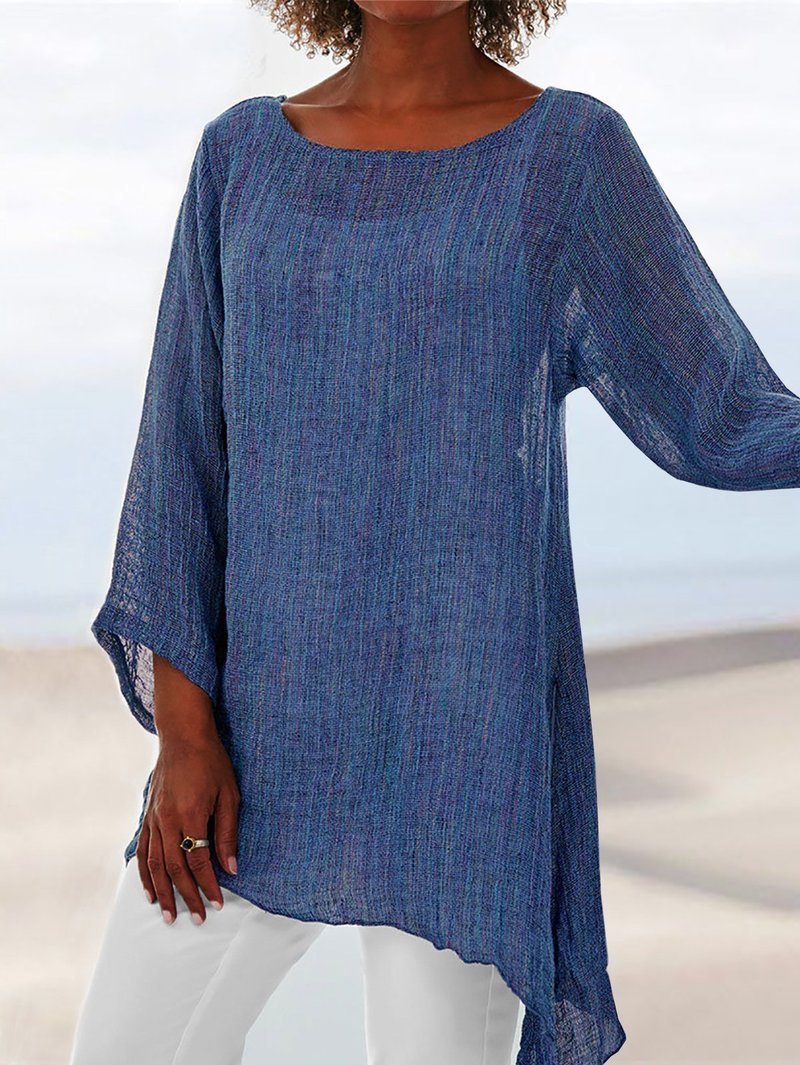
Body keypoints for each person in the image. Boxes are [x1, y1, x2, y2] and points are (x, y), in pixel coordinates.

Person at [69, 1, 800, 1064]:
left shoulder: (568, 157)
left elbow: (719, 408)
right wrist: (184, 734)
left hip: (464, 750)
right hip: (252, 749)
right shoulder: (239, 159)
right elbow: (182, 451)